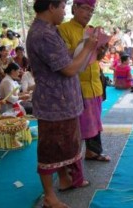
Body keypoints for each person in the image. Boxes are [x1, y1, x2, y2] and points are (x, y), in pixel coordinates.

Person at [26, 0, 98, 206]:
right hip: (53, 103)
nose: (64, 11)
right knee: (50, 148)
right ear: (51, 7)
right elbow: (68, 69)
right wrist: (87, 49)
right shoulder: (43, 34)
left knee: (65, 143)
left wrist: (83, 47)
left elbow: (63, 59)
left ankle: (65, 180)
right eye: (63, 7)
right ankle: (49, 197)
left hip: (63, 101)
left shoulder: (49, 30)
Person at [58, 0, 111, 162]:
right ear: (74, 8)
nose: (89, 13)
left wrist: (101, 50)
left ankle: (93, 152)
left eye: (92, 10)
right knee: (80, 124)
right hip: (77, 84)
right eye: (86, 9)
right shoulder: (63, 29)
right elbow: (65, 57)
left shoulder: (91, 31)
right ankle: (72, 160)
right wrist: (86, 46)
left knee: (95, 119)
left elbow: (96, 58)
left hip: (95, 82)